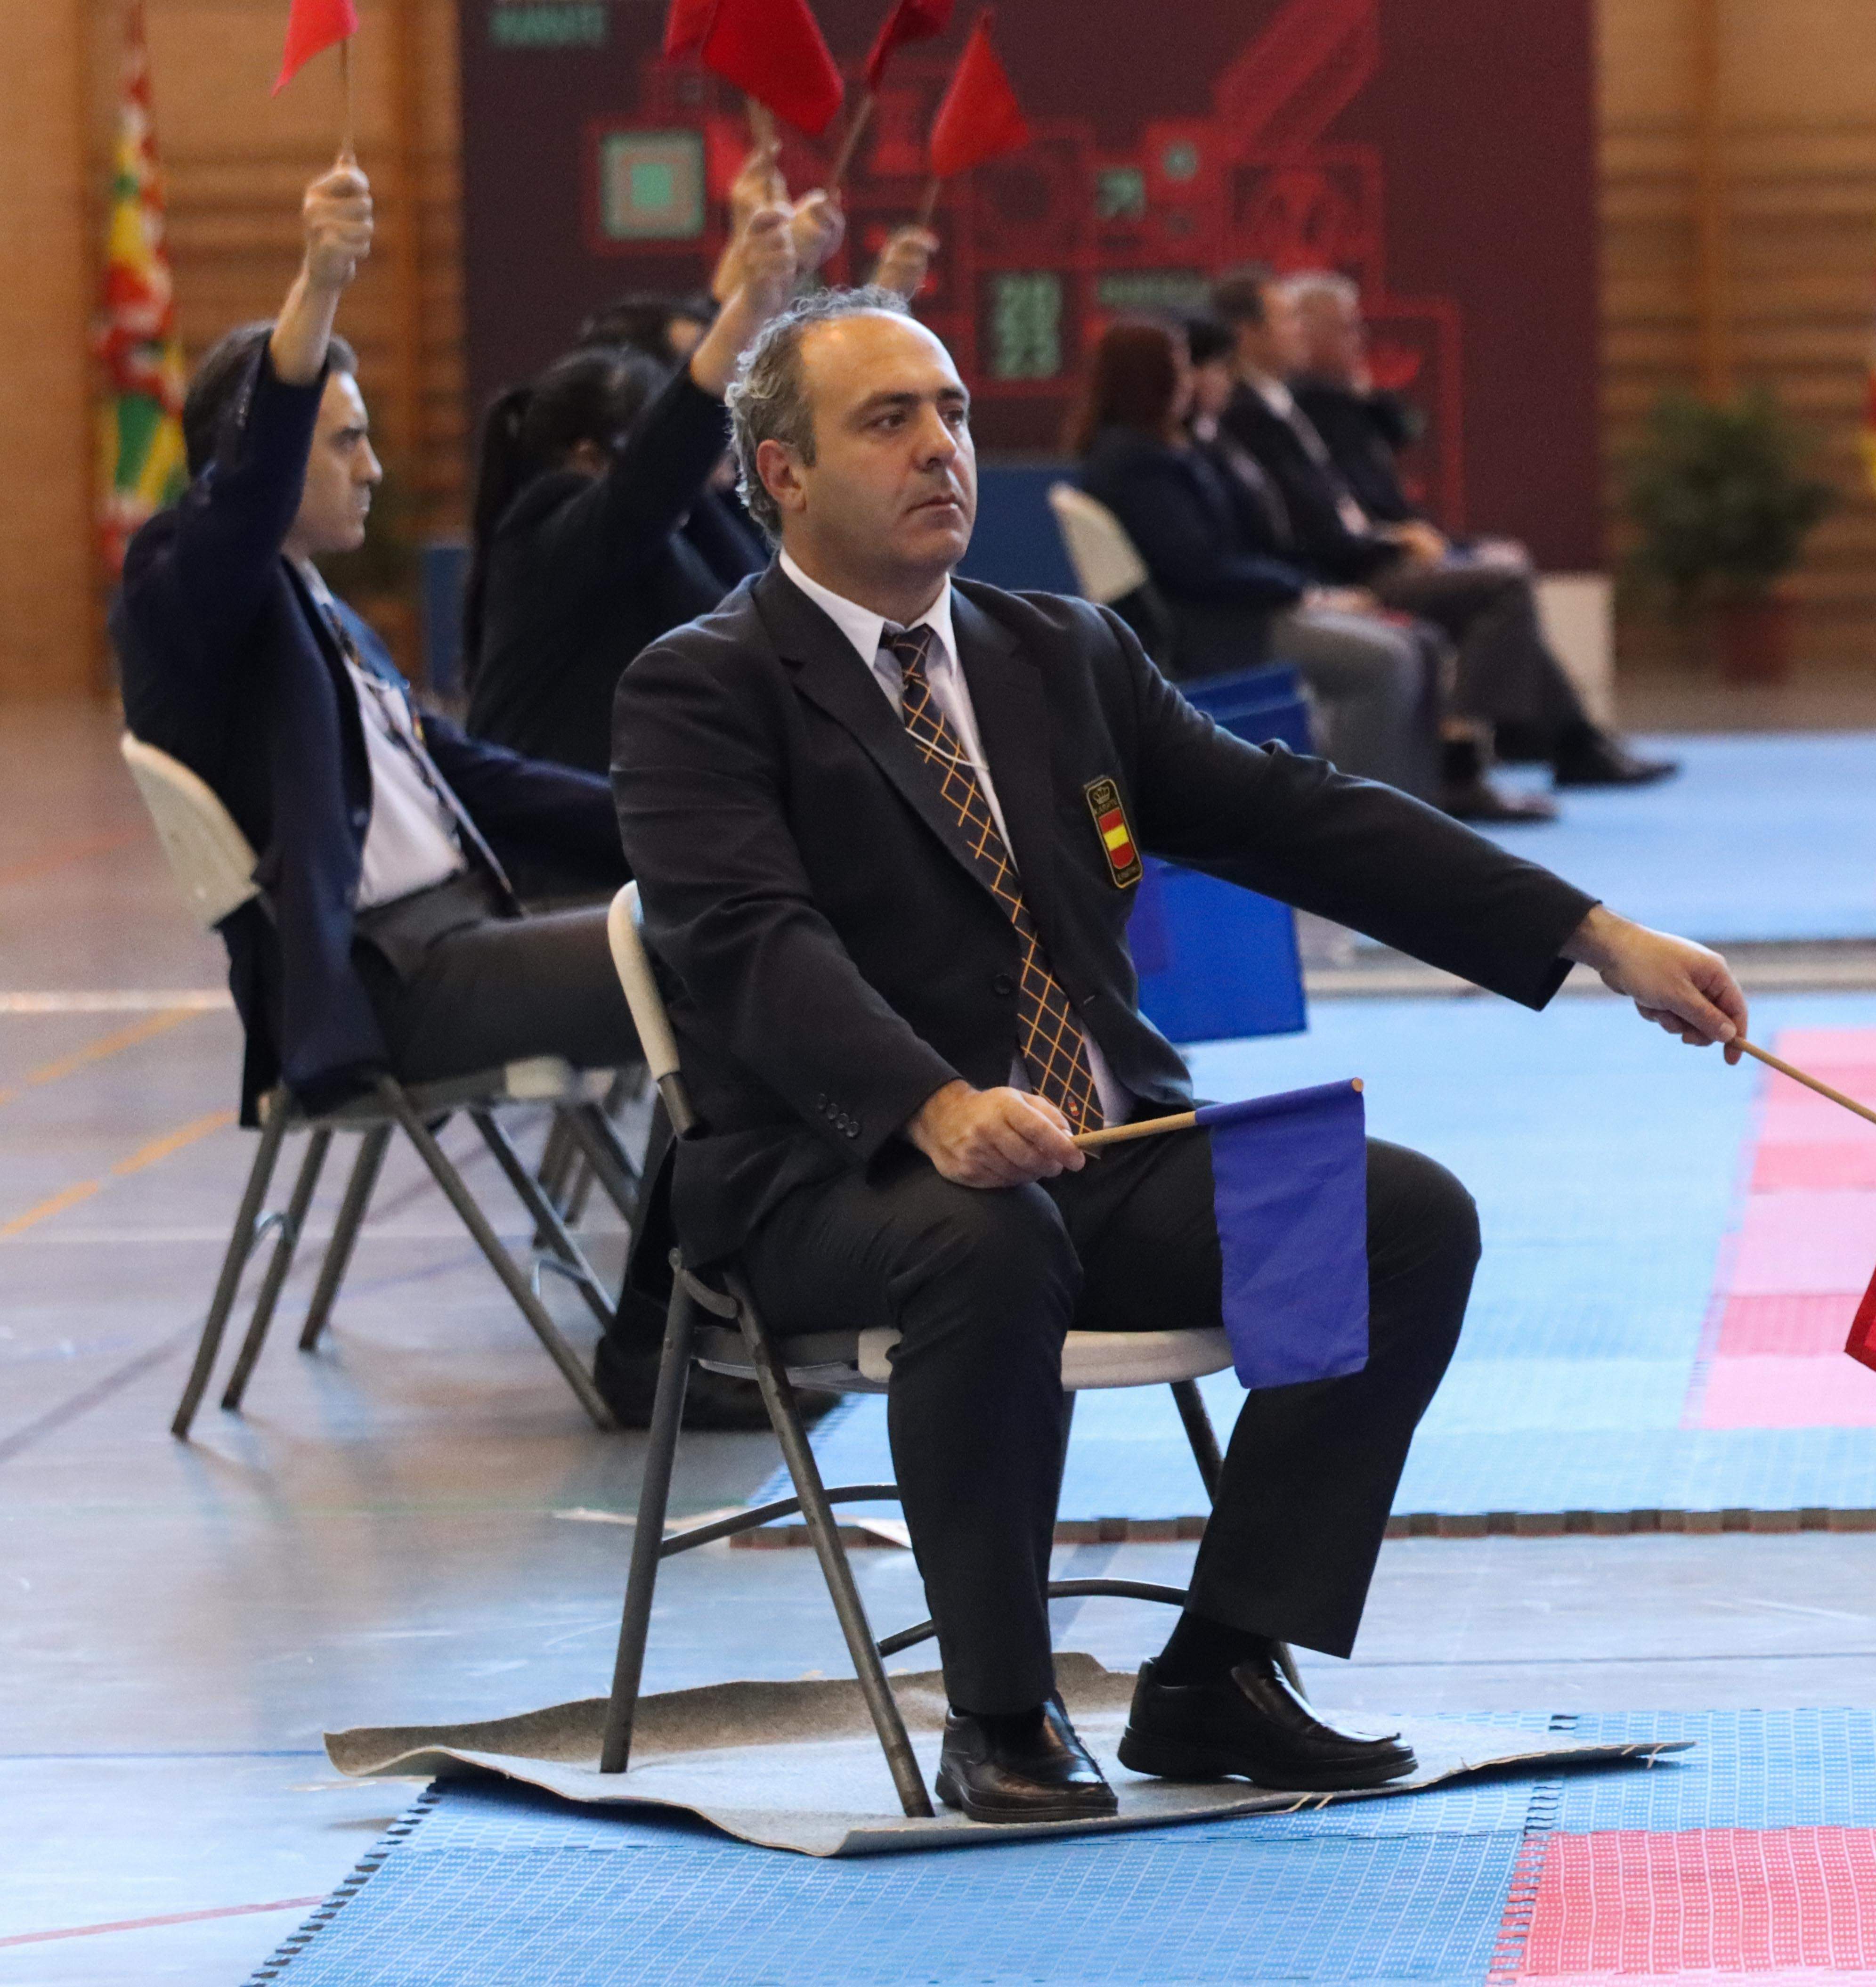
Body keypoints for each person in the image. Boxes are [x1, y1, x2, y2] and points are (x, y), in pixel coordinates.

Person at [609, 289, 1750, 1822]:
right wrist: (933, 1102)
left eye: (949, 410)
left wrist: (1595, 933)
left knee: (1396, 1216)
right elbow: (751, 946)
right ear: (781, 474)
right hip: (837, 1174)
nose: (940, 445)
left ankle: (1215, 1669)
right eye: (888, 419)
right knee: (984, 1236)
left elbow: (1301, 816)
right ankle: (1000, 1711)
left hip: (1098, 1147)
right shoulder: (701, 685)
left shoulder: (1055, 652)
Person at [110, 161, 639, 1142]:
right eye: (347, 441)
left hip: (466, 936)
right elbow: (247, 491)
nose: (376, 468)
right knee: (728, 957)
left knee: (743, 919)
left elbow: (476, 774)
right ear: (256, 453)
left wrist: (672, 819)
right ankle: (718, 1279)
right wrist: (317, 284)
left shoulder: (322, 614)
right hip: (394, 984)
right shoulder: (183, 590)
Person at [1208, 274, 1676, 790]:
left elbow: (1358, 485)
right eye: (1289, 320)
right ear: (1249, 332)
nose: (1299, 332)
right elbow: (1312, 528)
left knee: (1499, 580)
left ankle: (1561, 741)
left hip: (1365, 554)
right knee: (1501, 586)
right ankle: (1468, 750)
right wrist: (1380, 549)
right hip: (1347, 569)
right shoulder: (1253, 413)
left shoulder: (1283, 404)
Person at [1074, 320, 1542, 821]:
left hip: (1247, 608)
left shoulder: (1176, 449)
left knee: (1419, 643)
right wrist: (1307, 593)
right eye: (1182, 369)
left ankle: (1420, 815)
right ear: (1149, 378)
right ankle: (1359, 824)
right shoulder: (1134, 463)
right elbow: (1200, 570)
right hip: (1220, 627)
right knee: (1386, 660)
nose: (1192, 381)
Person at [462, 200, 799, 773]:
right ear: (589, 457)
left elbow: (766, 595)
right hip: (560, 854)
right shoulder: (547, 525)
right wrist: (751, 306)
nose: (721, 442)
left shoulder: (680, 527)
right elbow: (658, 472)